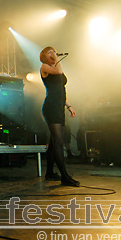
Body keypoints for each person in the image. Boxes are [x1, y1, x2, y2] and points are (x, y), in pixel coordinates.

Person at [40, 46, 80, 187]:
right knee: (58, 141)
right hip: (51, 107)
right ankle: (64, 176)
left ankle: (49, 173)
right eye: (50, 52)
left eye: (54, 51)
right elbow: (59, 71)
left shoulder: (55, 67)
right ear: (44, 56)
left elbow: (60, 90)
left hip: (59, 106)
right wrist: (57, 59)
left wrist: (69, 106)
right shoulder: (44, 67)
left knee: (53, 142)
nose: (53, 53)